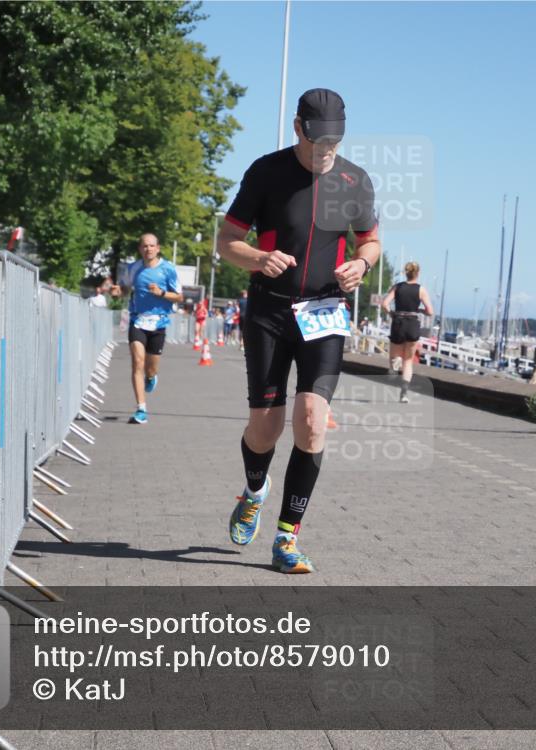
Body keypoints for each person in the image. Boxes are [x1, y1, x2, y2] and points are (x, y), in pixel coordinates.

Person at [217, 88, 379, 573]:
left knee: (311, 422)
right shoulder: (266, 172)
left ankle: (287, 538)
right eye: (316, 143)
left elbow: (371, 239)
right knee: (265, 430)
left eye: (332, 144)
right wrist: (259, 258)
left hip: (324, 313)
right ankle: (254, 491)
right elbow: (226, 241)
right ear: (297, 130)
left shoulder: (355, 181)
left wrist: (362, 264)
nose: (324, 152)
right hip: (268, 311)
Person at [111, 234, 183, 424]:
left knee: (150, 368)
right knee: (137, 363)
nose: (148, 249)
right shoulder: (133, 268)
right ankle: (141, 409)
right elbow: (125, 289)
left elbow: (179, 297)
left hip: (159, 323)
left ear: (158, 248)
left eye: (151, 246)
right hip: (138, 321)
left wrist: (161, 293)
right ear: (139, 248)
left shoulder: (168, 269)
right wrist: (118, 292)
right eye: (144, 246)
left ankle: (151, 377)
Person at [382, 262, 434, 402]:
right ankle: (404, 394)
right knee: (409, 361)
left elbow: (385, 304)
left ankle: (395, 363)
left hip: (398, 322)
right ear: (418, 273)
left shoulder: (397, 287)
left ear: (406, 273)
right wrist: (420, 310)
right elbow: (430, 311)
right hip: (412, 324)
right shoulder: (421, 290)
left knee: (394, 357)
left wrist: (392, 313)